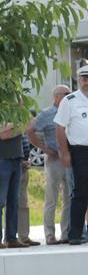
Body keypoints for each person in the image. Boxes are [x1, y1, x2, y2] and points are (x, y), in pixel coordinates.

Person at [29, 85, 72, 244]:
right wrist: (44, 149)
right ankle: (50, 235)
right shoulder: (46, 114)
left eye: (70, 93)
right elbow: (31, 131)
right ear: (57, 97)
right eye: (66, 93)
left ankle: (66, 233)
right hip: (54, 159)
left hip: (70, 159)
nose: (69, 96)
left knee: (69, 198)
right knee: (51, 198)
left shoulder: (70, 112)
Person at [56, 64, 88, 245]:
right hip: (80, 151)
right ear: (79, 80)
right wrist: (64, 152)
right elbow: (59, 128)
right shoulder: (70, 100)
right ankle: (75, 234)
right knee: (81, 191)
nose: (87, 82)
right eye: (84, 79)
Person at [0, 120, 26, 249]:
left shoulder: (17, 111)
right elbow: (2, 134)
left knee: (14, 200)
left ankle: (11, 238)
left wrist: (11, 127)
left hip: (16, 158)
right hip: (1, 158)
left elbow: (31, 122)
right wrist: (20, 125)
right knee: (0, 200)